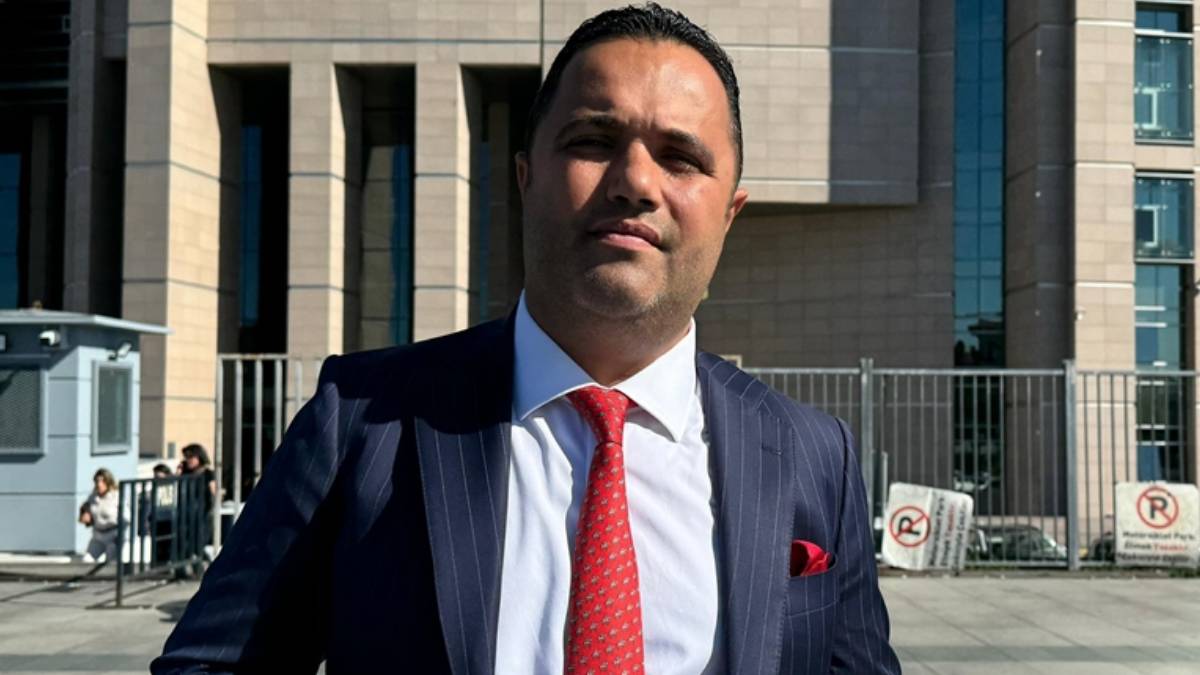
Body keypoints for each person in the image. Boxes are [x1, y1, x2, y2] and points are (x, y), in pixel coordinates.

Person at [154, 4, 900, 673]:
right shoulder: (360, 418)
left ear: (730, 212)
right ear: (525, 178)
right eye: (594, 139)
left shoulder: (814, 458)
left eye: (680, 157)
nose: (635, 182)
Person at [79, 468, 120, 564]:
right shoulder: (93, 497)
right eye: (97, 481)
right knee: (87, 560)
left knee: (111, 562)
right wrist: (85, 516)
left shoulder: (116, 496)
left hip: (113, 535)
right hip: (98, 535)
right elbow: (86, 509)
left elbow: (126, 518)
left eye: (102, 481)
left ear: (108, 482)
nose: (99, 484)